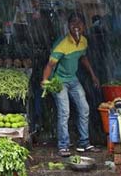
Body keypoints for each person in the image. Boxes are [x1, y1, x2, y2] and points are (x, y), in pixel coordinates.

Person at [42, 12, 101, 157]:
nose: (76, 26)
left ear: (84, 26)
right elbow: (50, 65)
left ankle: (84, 143)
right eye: (73, 23)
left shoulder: (83, 42)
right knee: (64, 112)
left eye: (79, 23)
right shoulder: (61, 44)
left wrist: (93, 76)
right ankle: (63, 145)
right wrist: (45, 80)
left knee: (84, 108)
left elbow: (83, 58)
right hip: (59, 81)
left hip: (73, 80)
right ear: (68, 26)